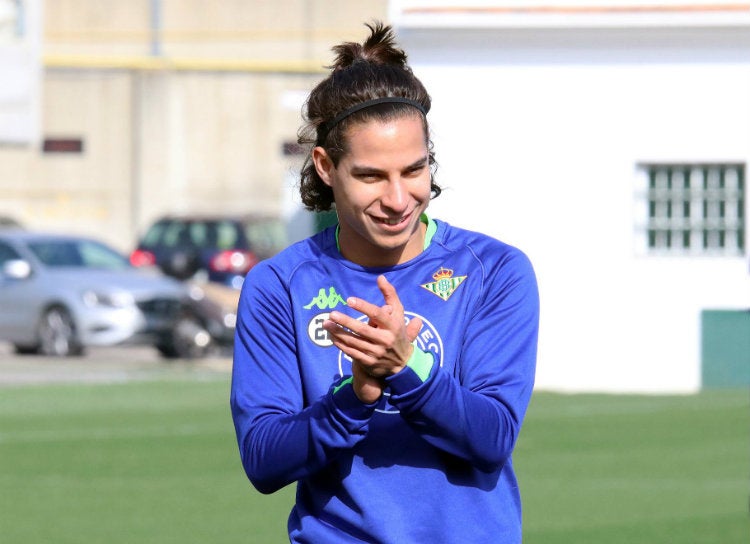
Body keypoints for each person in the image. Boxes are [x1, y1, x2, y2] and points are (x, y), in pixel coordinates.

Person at [230, 21, 539, 543]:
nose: (398, 198)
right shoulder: (279, 285)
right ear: (327, 167)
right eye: (372, 176)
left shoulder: (496, 271)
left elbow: (491, 437)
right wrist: (355, 396)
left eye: (414, 171)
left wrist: (408, 369)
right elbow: (263, 460)